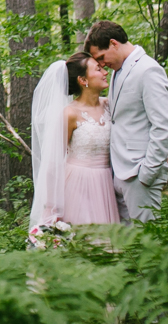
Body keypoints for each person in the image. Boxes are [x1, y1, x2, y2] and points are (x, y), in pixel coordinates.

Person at [85, 20, 168, 223]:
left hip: (139, 174)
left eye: (101, 57)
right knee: (129, 245)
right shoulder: (118, 71)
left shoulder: (148, 70)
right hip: (119, 172)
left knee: (147, 243)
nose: (101, 64)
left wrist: (148, 172)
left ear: (114, 43)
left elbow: (163, 126)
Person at [27, 52, 120, 230]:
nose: (105, 72)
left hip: (106, 182)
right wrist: (51, 207)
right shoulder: (69, 114)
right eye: (98, 69)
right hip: (78, 184)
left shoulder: (109, 105)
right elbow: (53, 163)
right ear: (83, 80)